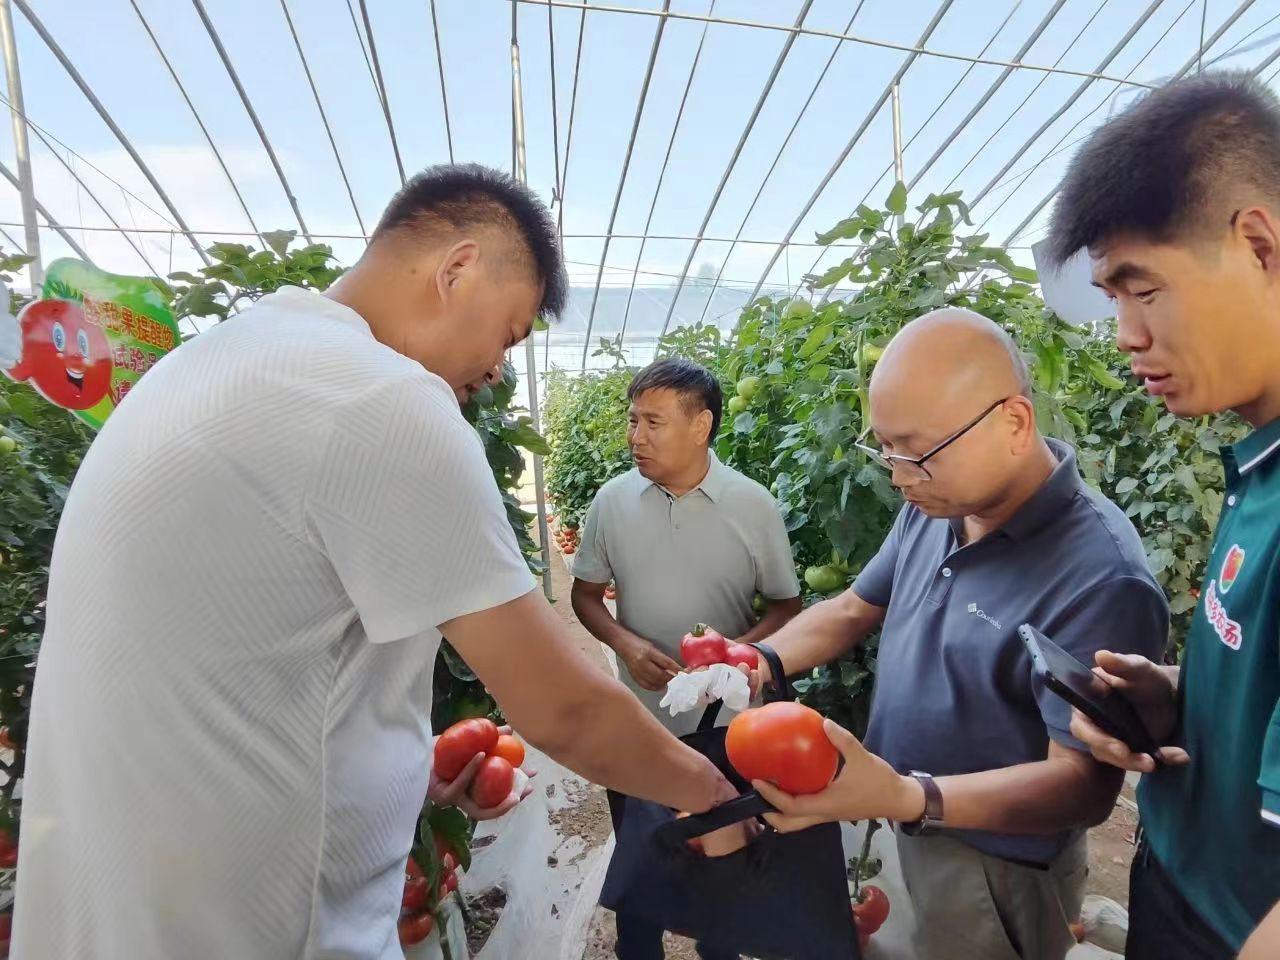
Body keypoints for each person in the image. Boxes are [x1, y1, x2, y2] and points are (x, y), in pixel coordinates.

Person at [11, 164, 735, 959]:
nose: (497, 369)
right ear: (457, 269)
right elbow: (564, 708)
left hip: (126, 907)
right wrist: (718, 797)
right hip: (254, 925)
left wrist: (394, 777)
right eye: (508, 332)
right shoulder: (380, 398)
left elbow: (238, 653)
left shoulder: (221, 359)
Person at [742, 309, 1169, 960]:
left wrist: (914, 796)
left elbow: (1083, 786)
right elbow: (855, 606)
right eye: (884, 449)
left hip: (989, 871)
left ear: (1014, 424)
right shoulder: (937, 505)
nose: (897, 476)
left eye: (916, 454)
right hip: (894, 820)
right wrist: (757, 659)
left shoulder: (1100, 577)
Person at [1045, 71, 1280, 960]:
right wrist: (1187, 700)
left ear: (1257, 244)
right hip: (1187, 885)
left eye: (1142, 288)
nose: (1126, 334)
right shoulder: (1260, 457)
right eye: (1113, 299)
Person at [570, 357, 802, 959]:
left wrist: (734, 659)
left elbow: (787, 606)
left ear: (701, 426)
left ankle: (718, 948)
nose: (635, 436)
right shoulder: (611, 502)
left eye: (652, 422)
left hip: (726, 729)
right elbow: (585, 595)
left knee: (722, 852)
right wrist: (626, 643)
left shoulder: (752, 505)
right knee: (641, 858)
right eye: (632, 421)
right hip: (637, 720)